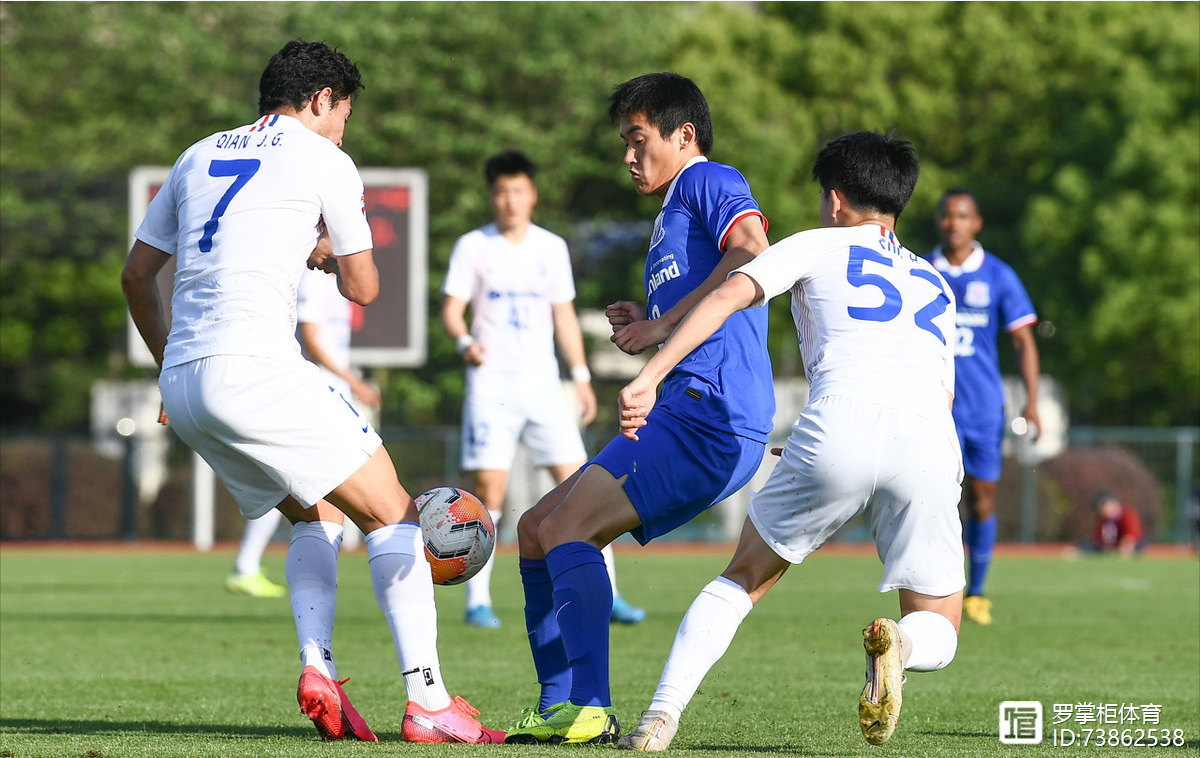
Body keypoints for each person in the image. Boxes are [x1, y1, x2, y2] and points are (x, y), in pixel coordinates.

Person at [121, 39, 503, 744]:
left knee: (316, 515)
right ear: (322, 99)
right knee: (394, 518)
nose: (342, 130)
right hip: (256, 366)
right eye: (344, 115)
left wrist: (169, 368)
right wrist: (326, 253)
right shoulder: (324, 158)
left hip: (186, 377)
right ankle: (429, 702)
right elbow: (364, 288)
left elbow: (137, 277)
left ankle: (318, 668)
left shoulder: (195, 154)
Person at [616, 130, 964, 750]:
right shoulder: (938, 284)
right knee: (940, 621)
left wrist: (650, 374)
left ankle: (659, 719)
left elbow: (729, 294)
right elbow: (940, 394)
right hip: (930, 440)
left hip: (837, 424)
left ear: (834, 200)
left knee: (743, 576)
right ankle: (902, 645)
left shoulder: (816, 245)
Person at [502, 72, 775, 745]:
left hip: (711, 413)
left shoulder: (709, 181)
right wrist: (650, 318)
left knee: (569, 529)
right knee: (537, 528)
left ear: (684, 136)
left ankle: (590, 706)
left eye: (638, 138)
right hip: (688, 409)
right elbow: (701, 300)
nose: (628, 155)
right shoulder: (671, 213)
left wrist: (658, 336)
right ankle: (560, 703)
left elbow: (751, 253)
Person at [441, 150, 645, 629]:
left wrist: (579, 376)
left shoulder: (551, 247)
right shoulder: (473, 246)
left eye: (518, 190)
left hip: (543, 384)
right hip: (491, 385)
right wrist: (465, 341)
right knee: (489, 489)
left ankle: (609, 591)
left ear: (531, 194)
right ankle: (478, 601)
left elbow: (564, 317)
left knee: (585, 482)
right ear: (492, 197)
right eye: (501, 191)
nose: (510, 200)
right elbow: (452, 311)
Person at [929, 189, 1041, 626]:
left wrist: (1032, 401)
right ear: (938, 221)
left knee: (980, 499)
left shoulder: (998, 275)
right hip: (935, 408)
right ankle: (940, 587)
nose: (954, 223)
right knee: (937, 496)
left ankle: (976, 592)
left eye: (962, 216)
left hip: (983, 409)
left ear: (976, 223)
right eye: (946, 216)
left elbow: (1023, 342)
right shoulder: (920, 269)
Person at [1085, 490, 1144, 557]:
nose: (1102, 511)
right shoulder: (1103, 520)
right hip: (1110, 550)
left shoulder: (1128, 515)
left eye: (1103, 506)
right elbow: (1098, 540)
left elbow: (1129, 540)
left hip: (1132, 550)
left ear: (1113, 503)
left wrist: (1123, 549)